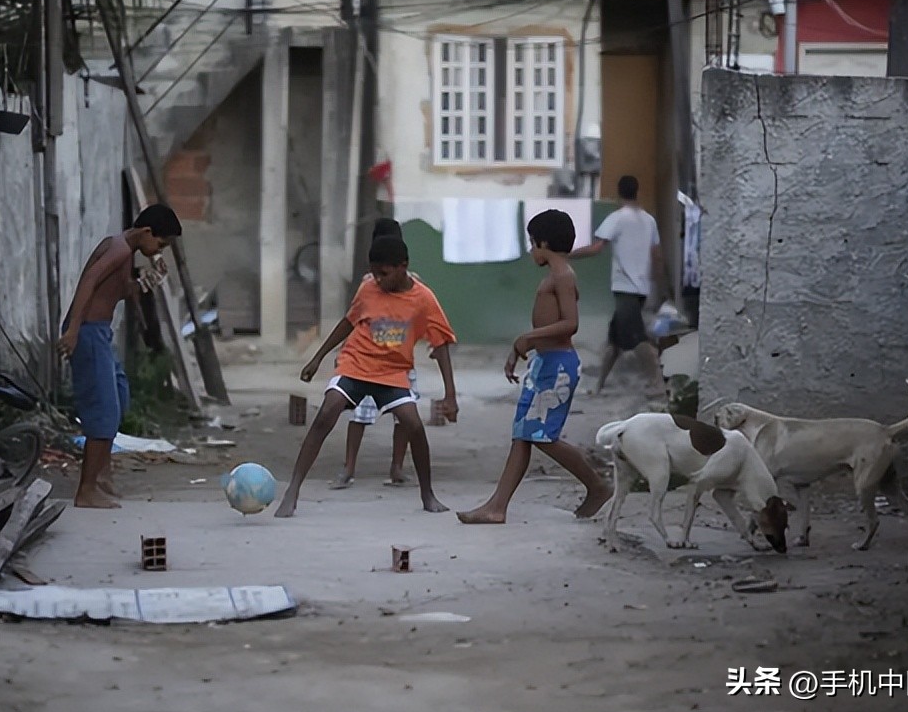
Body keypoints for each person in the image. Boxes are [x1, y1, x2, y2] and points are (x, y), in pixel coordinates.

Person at [275, 236, 459, 518]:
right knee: (328, 410)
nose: (378, 280)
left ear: (403, 267)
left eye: (384, 274)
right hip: (356, 364)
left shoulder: (423, 299)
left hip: (393, 372)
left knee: (413, 424)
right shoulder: (368, 289)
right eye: (374, 273)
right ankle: (293, 490)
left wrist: (450, 395)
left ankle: (428, 494)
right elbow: (348, 323)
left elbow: (441, 345)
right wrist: (318, 357)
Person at [458, 209, 612, 524]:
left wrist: (527, 336)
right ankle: (497, 506)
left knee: (541, 436)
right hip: (544, 364)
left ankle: (597, 485)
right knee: (523, 435)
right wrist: (521, 350)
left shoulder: (563, 276)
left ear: (543, 242)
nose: (531, 250)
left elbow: (571, 324)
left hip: (558, 368)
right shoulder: (554, 276)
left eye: (532, 243)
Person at [58, 204, 182, 509]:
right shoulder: (119, 250)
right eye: (160, 244)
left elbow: (120, 289)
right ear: (146, 232)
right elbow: (87, 283)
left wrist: (150, 280)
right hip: (87, 330)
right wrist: (73, 330)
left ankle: (101, 475)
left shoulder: (125, 249)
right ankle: (86, 489)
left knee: (118, 398)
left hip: (99, 332)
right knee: (103, 411)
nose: (158, 251)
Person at [333, 218, 418, 490]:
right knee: (363, 415)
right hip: (367, 360)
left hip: (396, 362)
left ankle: (381, 468)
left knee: (401, 415)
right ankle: (359, 468)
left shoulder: (413, 285)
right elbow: (354, 319)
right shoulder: (369, 284)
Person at [570, 175, 666, 396]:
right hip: (641, 289)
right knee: (615, 339)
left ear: (619, 193)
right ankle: (599, 385)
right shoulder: (648, 220)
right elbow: (657, 256)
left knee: (636, 338)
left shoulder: (617, 218)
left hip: (625, 288)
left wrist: (567, 255)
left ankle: (657, 383)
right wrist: (659, 287)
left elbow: (596, 248)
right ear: (637, 191)